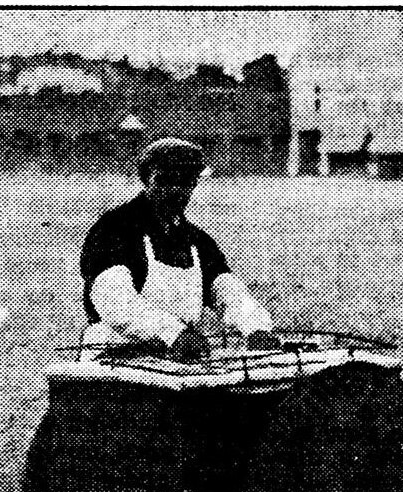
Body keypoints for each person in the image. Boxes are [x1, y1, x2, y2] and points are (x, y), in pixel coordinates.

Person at [79, 138, 277, 361]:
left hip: (179, 357)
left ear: (194, 184)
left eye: (184, 182)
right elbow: (115, 302)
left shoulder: (197, 240)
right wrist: (173, 333)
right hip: (113, 359)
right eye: (164, 180)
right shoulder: (114, 228)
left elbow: (227, 291)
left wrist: (256, 328)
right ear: (146, 179)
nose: (175, 191)